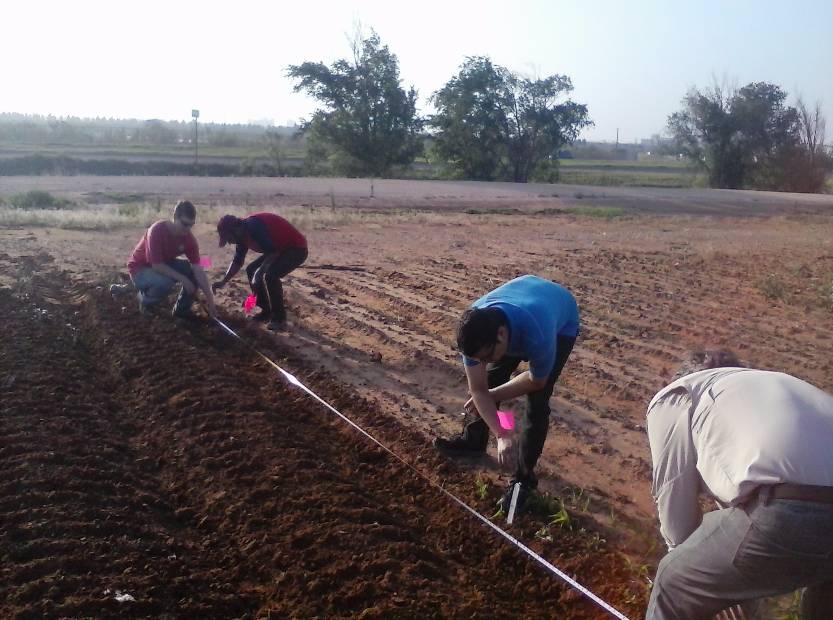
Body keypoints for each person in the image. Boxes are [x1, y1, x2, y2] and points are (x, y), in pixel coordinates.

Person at [645, 350, 833, 619]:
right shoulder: (772, 386)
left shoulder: (679, 394)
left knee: (674, 582)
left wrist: (705, 575)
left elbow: (676, 515)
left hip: (792, 510)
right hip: (804, 501)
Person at [434, 274, 580, 515]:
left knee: (537, 402)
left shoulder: (539, 334)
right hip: (522, 305)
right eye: (477, 359)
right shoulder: (475, 333)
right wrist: (503, 433)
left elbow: (535, 380)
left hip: (559, 318)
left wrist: (491, 396)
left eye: (487, 355)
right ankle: (474, 441)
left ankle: (523, 479)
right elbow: (479, 390)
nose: (482, 361)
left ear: (501, 335)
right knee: (492, 376)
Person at [113, 200, 216, 320]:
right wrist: (183, 279)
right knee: (165, 283)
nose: (187, 229)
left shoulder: (189, 240)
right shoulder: (157, 230)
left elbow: (198, 269)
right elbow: (157, 265)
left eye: (191, 225)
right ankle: (144, 301)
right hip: (139, 269)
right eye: (184, 224)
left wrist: (211, 302)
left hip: (161, 264)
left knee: (192, 271)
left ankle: (181, 311)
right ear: (175, 218)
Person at [211, 212, 308, 331]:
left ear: (235, 229)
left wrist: (260, 271)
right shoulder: (241, 237)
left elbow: (273, 252)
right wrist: (223, 281)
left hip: (296, 248)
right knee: (251, 269)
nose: (230, 242)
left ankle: (279, 319)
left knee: (271, 275)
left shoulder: (253, 227)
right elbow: (237, 261)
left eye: (229, 238)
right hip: (280, 249)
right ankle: (265, 311)